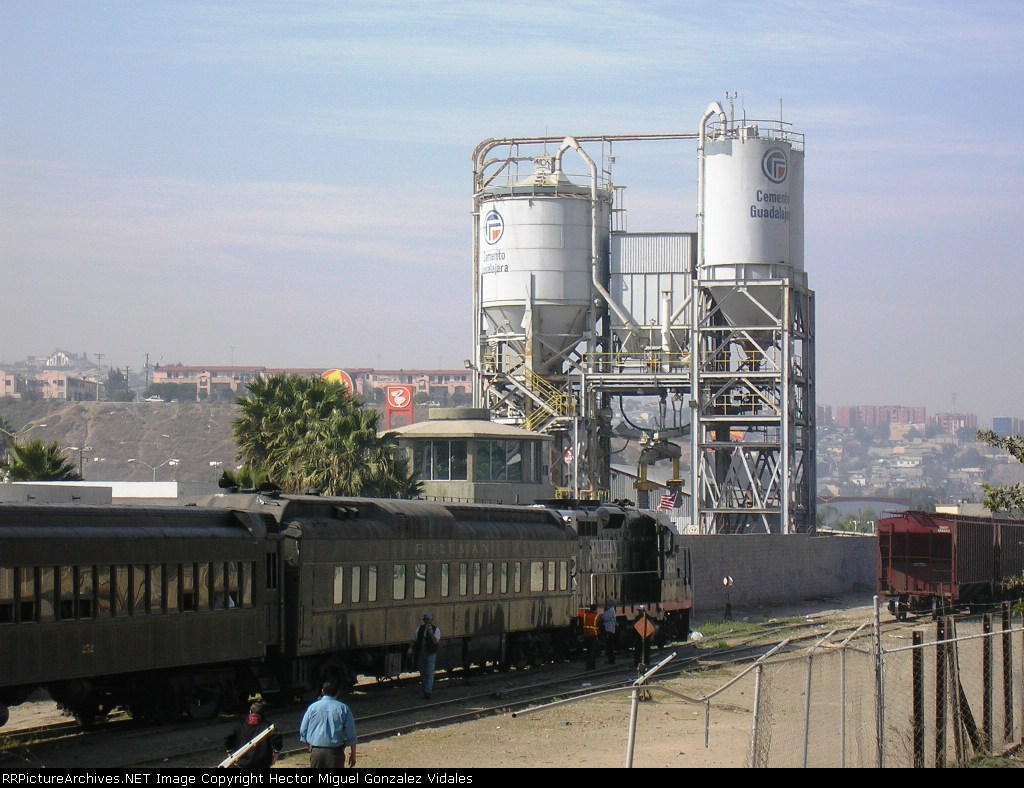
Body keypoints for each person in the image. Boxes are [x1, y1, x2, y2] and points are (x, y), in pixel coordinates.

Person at [299, 680, 358, 770]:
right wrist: (353, 754)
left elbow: (303, 730)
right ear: (338, 692)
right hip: (335, 753)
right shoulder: (343, 708)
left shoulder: (312, 707)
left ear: (322, 691)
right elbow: (351, 734)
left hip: (316, 752)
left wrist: (310, 747)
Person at [222, 701, 282, 769]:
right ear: (264, 713)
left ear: (250, 712)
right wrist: (276, 754)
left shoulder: (239, 726)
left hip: (243, 763)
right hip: (262, 763)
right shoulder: (268, 726)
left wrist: (230, 753)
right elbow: (277, 740)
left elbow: (228, 738)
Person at [407, 612, 441, 699]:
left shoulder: (436, 630)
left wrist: (431, 634)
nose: (427, 621)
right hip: (421, 653)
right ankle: (426, 689)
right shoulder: (419, 629)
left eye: (428, 620)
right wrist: (410, 648)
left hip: (431, 653)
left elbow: (436, 642)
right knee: (422, 672)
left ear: (431, 620)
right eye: (425, 620)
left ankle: (427, 691)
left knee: (429, 672)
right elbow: (413, 639)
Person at [580, 604, 600, 670]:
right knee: (592, 652)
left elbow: (581, 625)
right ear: (596, 609)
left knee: (589, 651)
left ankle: (591, 666)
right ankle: (590, 667)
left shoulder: (585, 616)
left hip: (586, 636)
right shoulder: (597, 616)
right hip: (593, 636)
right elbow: (601, 626)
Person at [600, 598, 617, 664]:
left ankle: (611, 661)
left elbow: (604, 617)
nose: (607, 603)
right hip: (609, 630)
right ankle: (611, 660)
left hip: (609, 630)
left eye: (609, 602)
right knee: (609, 646)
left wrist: (600, 616)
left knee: (610, 646)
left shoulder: (611, 610)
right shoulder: (610, 610)